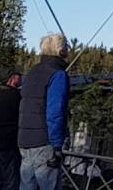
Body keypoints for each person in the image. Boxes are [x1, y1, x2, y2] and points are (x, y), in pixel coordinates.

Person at [18, 33, 71, 190]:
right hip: (44, 141)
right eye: (67, 46)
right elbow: (55, 112)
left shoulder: (32, 72)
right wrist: (57, 145)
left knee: (26, 185)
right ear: (61, 50)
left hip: (25, 141)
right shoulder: (58, 75)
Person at [0, 67, 23, 190]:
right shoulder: (14, 96)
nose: (21, 78)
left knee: (0, 181)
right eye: (18, 76)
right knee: (11, 181)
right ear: (11, 79)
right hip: (9, 144)